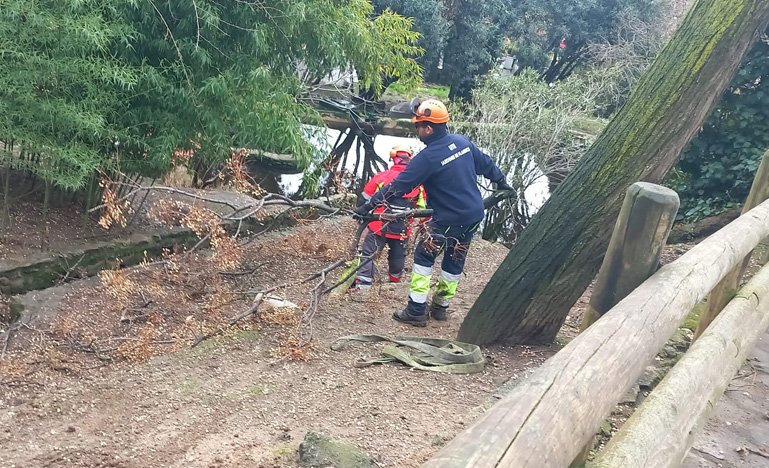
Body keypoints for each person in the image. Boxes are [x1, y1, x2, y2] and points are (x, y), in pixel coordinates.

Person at [354, 98, 512, 327]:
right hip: (473, 216)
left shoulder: (427, 159)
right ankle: (440, 307)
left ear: (428, 128)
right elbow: (487, 164)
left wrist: (367, 207)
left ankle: (416, 310)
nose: (416, 129)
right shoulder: (462, 142)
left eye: (417, 125)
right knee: (454, 259)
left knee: (423, 259)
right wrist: (502, 182)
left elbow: (398, 186)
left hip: (445, 220)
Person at [351, 145, 427, 292]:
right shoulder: (419, 183)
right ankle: (394, 281)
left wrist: (360, 212)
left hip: (378, 226)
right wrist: (424, 228)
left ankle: (363, 285)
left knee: (368, 253)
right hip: (403, 229)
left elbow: (365, 199)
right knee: (398, 255)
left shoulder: (382, 177)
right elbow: (423, 209)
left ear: (394, 159)